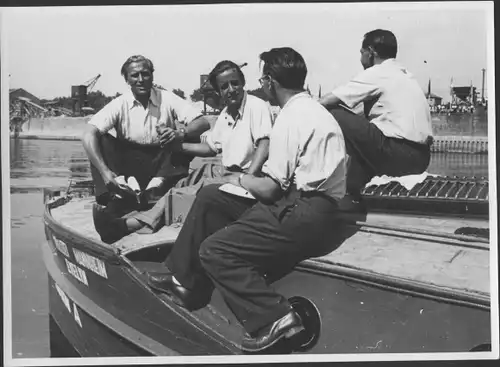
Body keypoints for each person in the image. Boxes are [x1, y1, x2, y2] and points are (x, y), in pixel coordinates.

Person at [147, 47, 347, 352]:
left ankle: (276, 317)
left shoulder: (289, 119)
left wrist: (239, 179)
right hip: (314, 206)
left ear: (268, 81)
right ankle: (184, 281)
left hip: (304, 211)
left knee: (214, 250)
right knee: (212, 195)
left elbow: (270, 190)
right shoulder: (312, 110)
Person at [128, 60, 274, 233]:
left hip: (249, 176)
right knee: (183, 182)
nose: (231, 90)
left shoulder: (256, 106)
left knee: (195, 188)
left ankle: (139, 223)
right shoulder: (226, 114)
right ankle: (150, 215)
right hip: (228, 170)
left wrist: (248, 178)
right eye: (224, 86)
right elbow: (211, 148)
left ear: (243, 83)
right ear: (219, 91)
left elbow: (265, 144)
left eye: (235, 83)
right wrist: (177, 147)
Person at [82, 55, 211, 244]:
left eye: (145, 74)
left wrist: (179, 133)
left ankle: (155, 189)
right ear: (127, 80)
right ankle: (117, 193)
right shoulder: (120, 103)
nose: (141, 80)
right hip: (130, 162)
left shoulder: (166, 98)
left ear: (152, 76)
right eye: (134, 76)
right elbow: (88, 133)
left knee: (191, 135)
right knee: (99, 139)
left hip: (161, 162)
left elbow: (203, 122)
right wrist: (105, 172)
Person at [320, 29, 433, 210]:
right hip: (421, 158)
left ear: (371, 52)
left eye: (361, 52)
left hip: (398, 154)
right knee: (361, 130)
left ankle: (335, 186)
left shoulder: (378, 72)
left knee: (334, 112)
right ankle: (352, 189)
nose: (360, 58)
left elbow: (327, 101)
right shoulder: (404, 74)